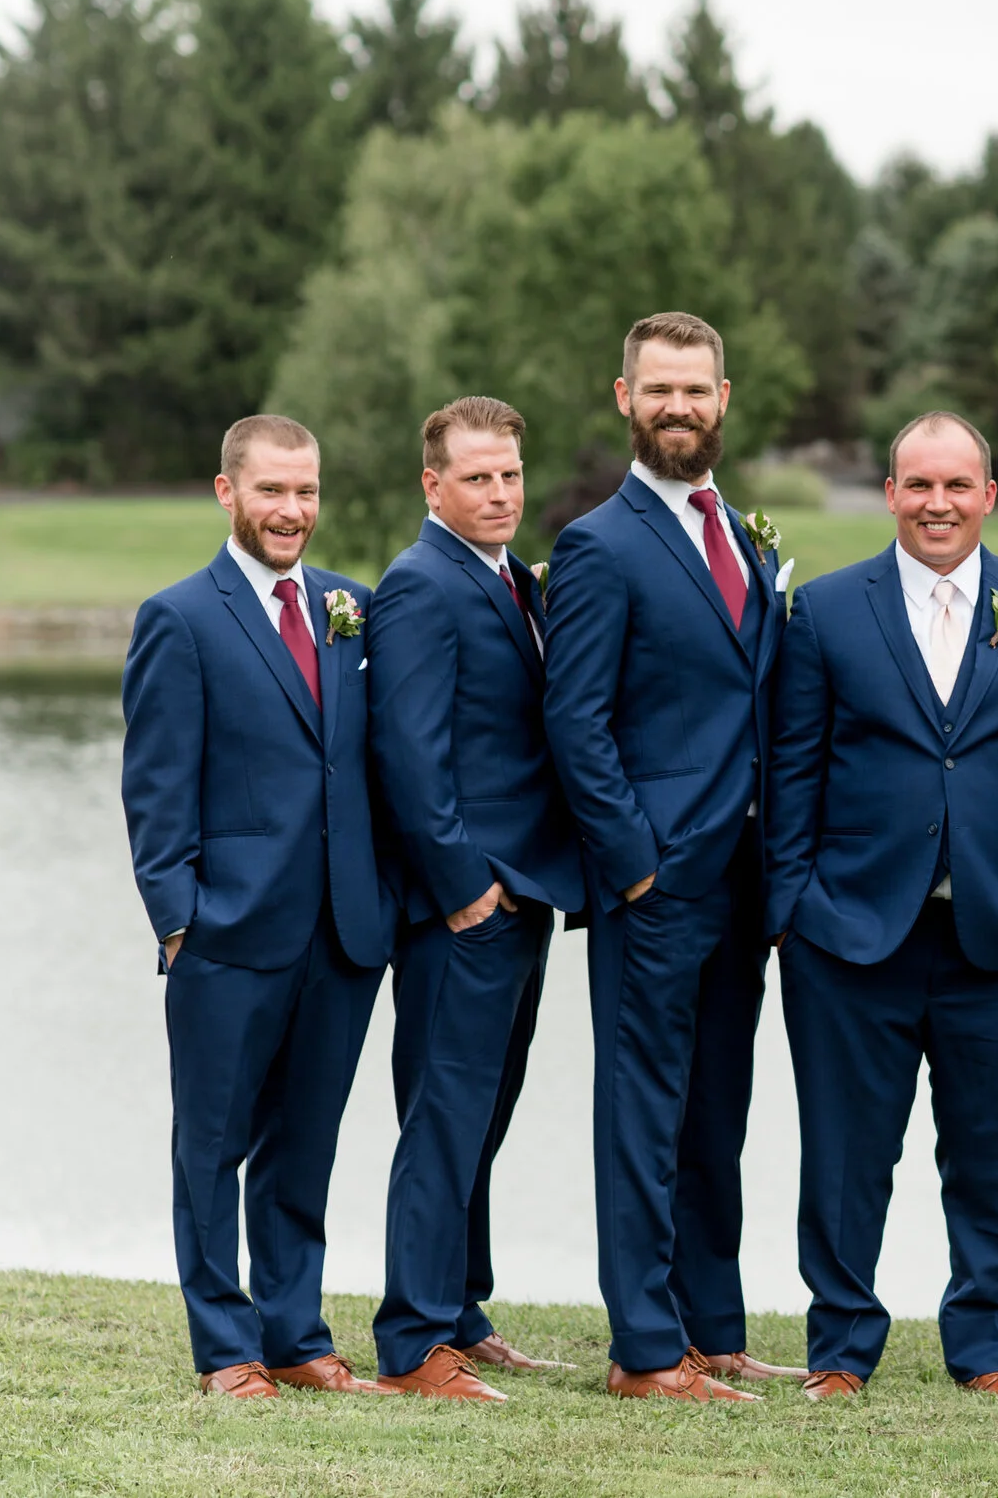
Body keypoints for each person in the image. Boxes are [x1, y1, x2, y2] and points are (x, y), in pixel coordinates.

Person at [765, 412, 998, 1402]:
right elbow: (793, 772)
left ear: (989, 496)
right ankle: (839, 1350)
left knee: (991, 1150)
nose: (938, 503)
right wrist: (792, 907)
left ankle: (987, 1348)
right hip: (849, 933)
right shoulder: (827, 611)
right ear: (891, 494)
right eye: (918, 484)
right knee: (845, 1151)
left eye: (958, 485)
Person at [542, 312, 801, 1401]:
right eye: (659, 390)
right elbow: (575, 722)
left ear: (723, 397)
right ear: (625, 399)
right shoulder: (598, 546)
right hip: (656, 884)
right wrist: (635, 864)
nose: (679, 407)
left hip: (744, 880)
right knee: (644, 1116)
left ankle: (713, 1326)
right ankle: (645, 1348)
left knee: (715, 1111)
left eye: (695, 389)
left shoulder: (744, 536)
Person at [118, 414, 395, 1400]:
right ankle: (226, 1350)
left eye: (306, 491)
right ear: (227, 492)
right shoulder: (180, 617)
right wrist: (179, 921)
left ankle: (294, 1335)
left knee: (304, 1147)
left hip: (342, 933)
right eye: (272, 490)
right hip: (227, 934)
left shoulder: (350, 608)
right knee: (211, 1147)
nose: (292, 510)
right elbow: (155, 789)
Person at [367, 397, 586, 1400]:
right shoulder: (420, 584)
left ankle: (461, 1309)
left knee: (485, 1112)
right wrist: (465, 890)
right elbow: (407, 752)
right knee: (444, 1117)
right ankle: (414, 1343)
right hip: (465, 909)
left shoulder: (511, 579)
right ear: (433, 484)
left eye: (509, 475)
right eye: (477, 478)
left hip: (521, 896)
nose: (500, 494)